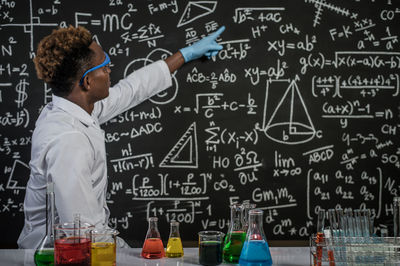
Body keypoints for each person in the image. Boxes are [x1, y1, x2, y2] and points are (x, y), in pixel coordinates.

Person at [18, 25, 225, 249]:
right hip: (58, 255)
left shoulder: (72, 108)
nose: (109, 70)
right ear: (87, 82)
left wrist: (184, 55)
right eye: (105, 66)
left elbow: (130, 90)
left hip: (82, 244)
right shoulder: (68, 140)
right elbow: (83, 231)